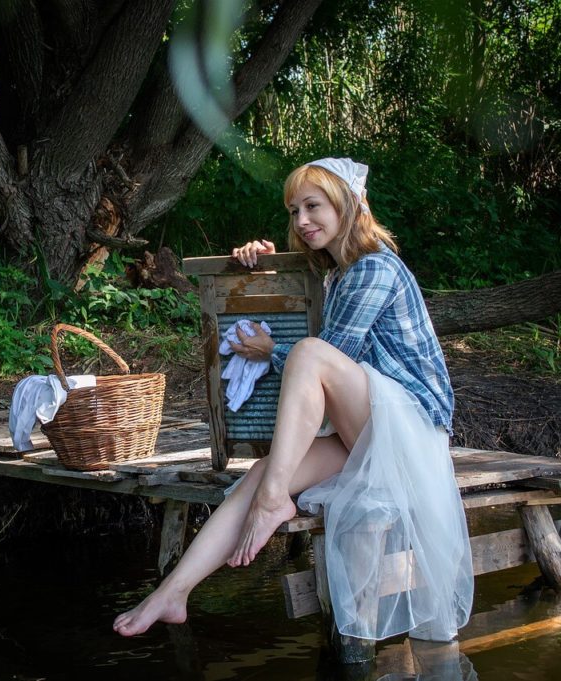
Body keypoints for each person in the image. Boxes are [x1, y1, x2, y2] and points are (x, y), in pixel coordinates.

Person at [113, 158, 473, 641]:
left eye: (313, 206)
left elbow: (325, 360)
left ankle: (273, 501)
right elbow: (305, 330)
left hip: (410, 431)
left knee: (307, 358)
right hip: (367, 427)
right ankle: (173, 593)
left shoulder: (374, 268)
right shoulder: (336, 273)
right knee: (264, 475)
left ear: (348, 205)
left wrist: (270, 349)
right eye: (294, 210)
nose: (302, 221)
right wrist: (259, 262)